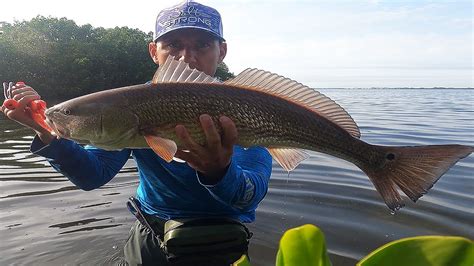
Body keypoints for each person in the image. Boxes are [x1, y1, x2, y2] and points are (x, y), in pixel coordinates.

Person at [1, 1, 272, 265]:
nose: (186, 57)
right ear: (154, 51)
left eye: (202, 45)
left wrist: (219, 172)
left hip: (222, 246)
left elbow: (247, 197)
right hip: (151, 239)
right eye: (173, 45)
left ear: (221, 51)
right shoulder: (131, 104)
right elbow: (92, 175)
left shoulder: (245, 105)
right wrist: (45, 131)